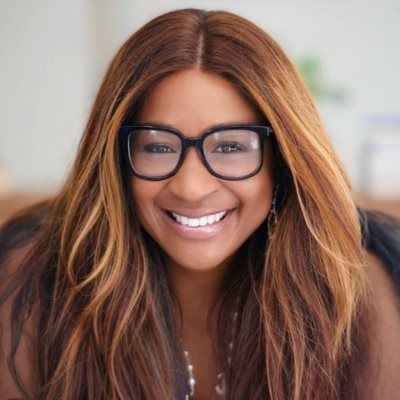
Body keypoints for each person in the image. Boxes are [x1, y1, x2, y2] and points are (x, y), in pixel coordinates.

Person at [1, 8, 400, 400]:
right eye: (158, 146)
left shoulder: (365, 284)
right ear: (117, 160)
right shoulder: (31, 279)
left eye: (230, 147)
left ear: (283, 159)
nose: (191, 188)